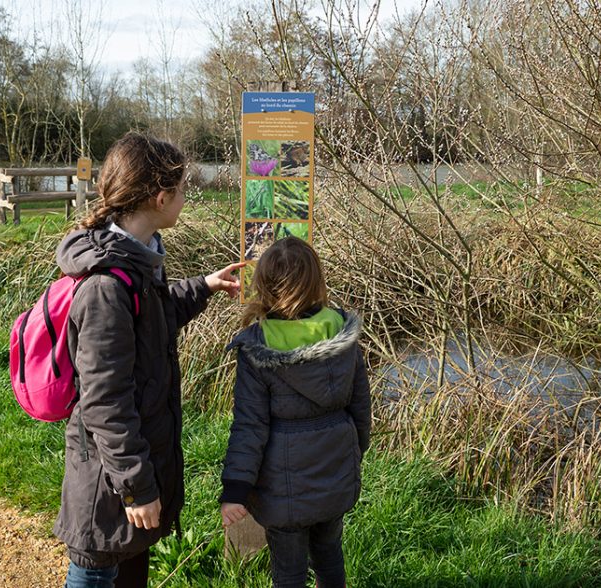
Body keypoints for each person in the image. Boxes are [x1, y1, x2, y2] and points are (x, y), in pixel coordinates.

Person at [54, 132, 245, 588]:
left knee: (129, 570)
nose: (184, 199)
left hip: (120, 475)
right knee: (96, 572)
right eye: (181, 191)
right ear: (160, 198)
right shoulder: (107, 285)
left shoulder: (135, 259)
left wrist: (204, 285)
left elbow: (153, 319)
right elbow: (106, 401)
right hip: (107, 483)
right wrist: (137, 487)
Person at [219, 236, 371, 588]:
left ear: (265, 285)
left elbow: (249, 427)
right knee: (330, 556)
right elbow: (361, 406)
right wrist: (354, 452)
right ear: (317, 280)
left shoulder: (258, 344)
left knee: (288, 572)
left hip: (281, 488)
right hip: (336, 472)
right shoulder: (342, 331)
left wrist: (236, 489)